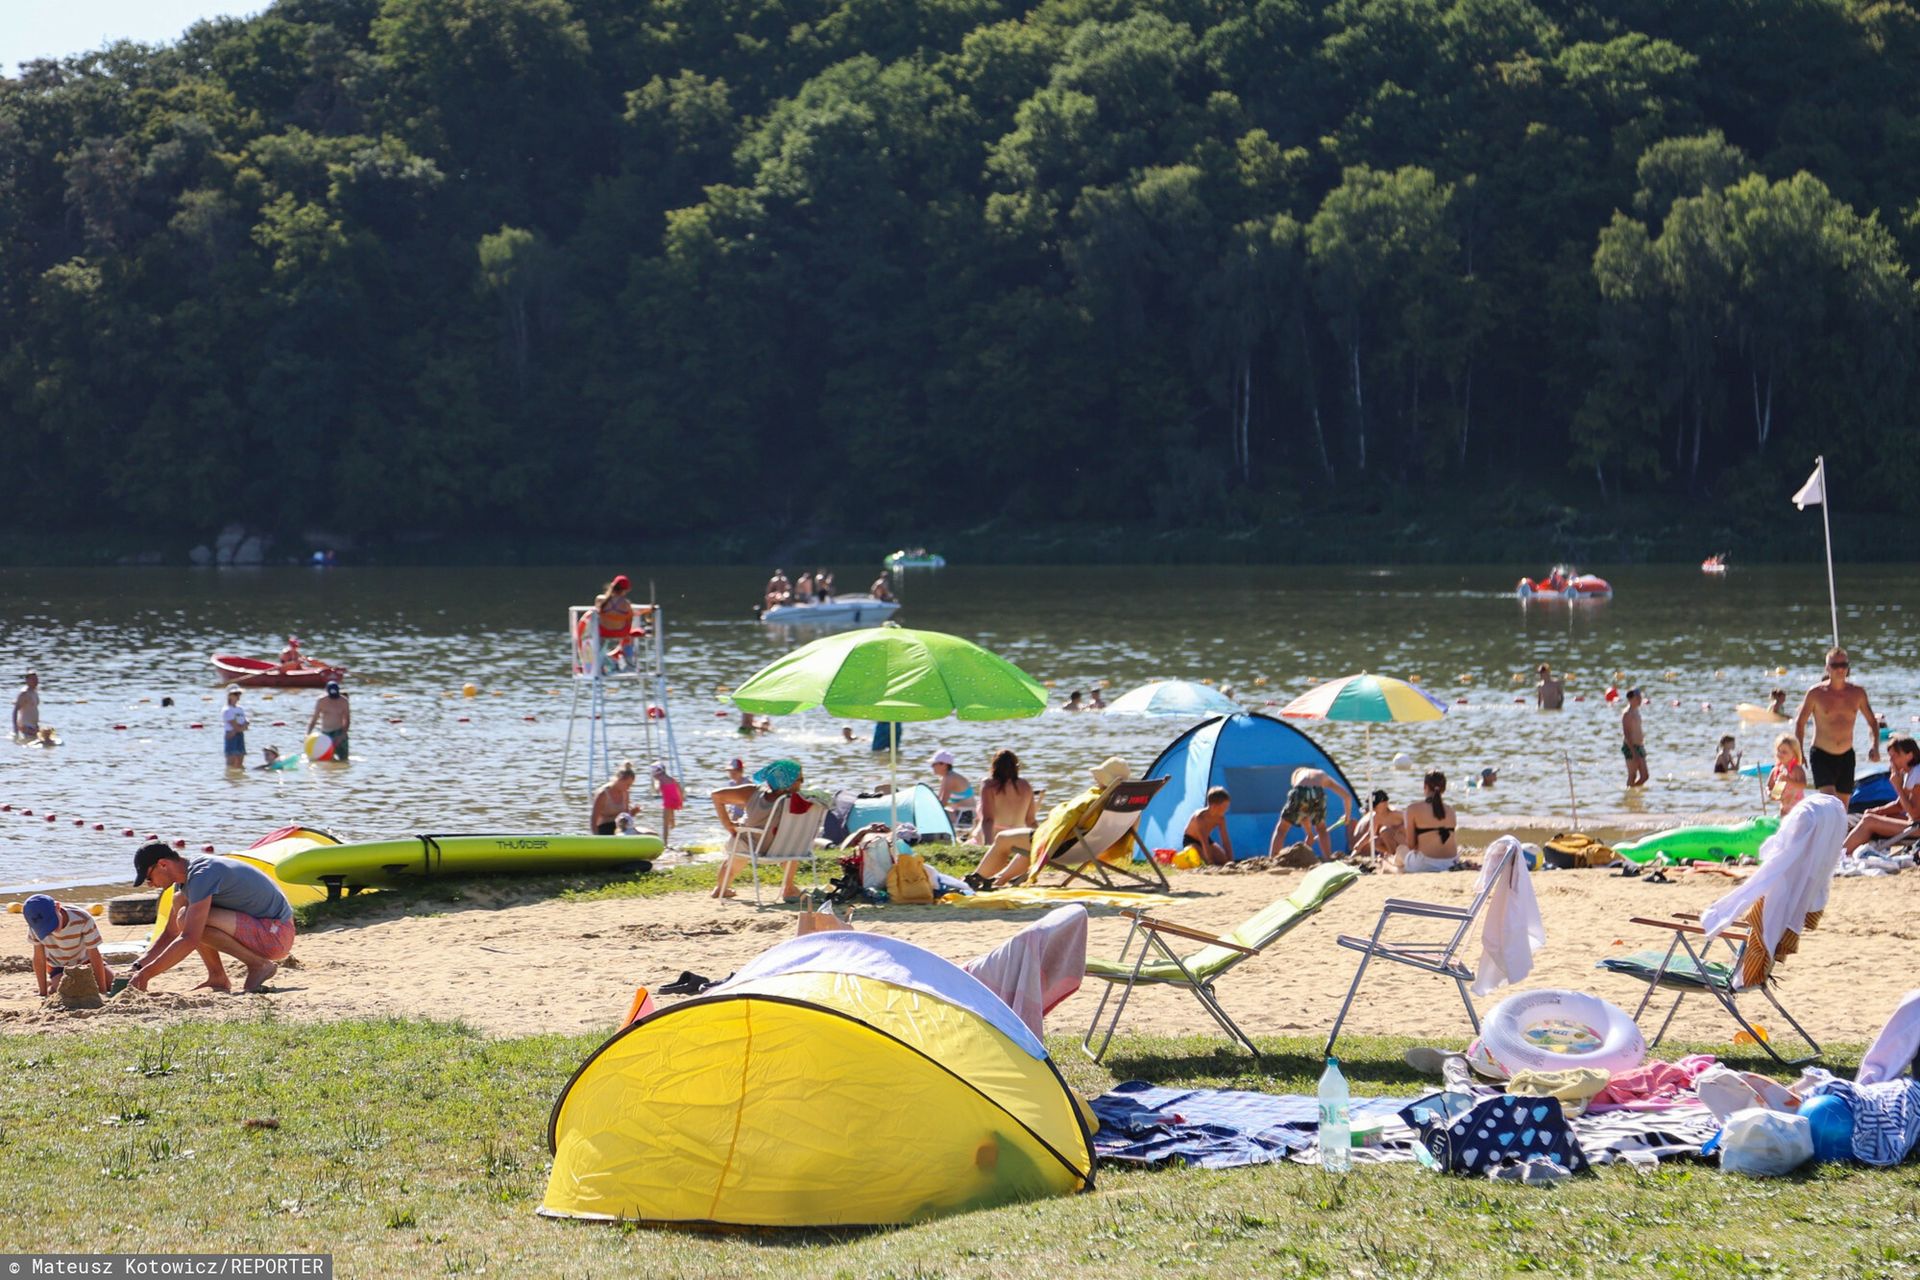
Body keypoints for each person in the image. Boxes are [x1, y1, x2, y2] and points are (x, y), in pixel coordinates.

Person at [130, 843, 294, 993]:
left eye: (148, 878)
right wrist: (138, 967)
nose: (149, 884)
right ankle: (217, 977)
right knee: (181, 904)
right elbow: (171, 933)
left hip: (276, 935)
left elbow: (189, 938)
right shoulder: (185, 879)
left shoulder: (202, 874)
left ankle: (259, 965)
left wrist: (146, 975)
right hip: (264, 929)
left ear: (163, 864)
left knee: (187, 919)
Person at [969, 757, 1130, 890]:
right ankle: (999, 880)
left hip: (1062, 845)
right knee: (1028, 846)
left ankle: (977, 878)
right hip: (1089, 846)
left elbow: (1064, 819)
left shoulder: (1092, 799)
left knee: (1003, 838)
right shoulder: (1120, 800)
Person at [710, 758, 807, 900]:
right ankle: (789, 887)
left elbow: (716, 795)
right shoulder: (800, 801)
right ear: (788, 781)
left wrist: (728, 824)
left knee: (738, 847)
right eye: (800, 779)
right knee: (790, 840)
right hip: (781, 849)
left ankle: (721, 888)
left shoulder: (753, 792)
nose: (802, 782)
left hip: (749, 845)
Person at [1794, 646, 1881, 803]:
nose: (1840, 669)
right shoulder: (1815, 693)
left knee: (1843, 806)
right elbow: (1800, 723)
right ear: (1827, 668)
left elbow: (1872, 722)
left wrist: (1875, 746)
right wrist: (1799, 752)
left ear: (1848, 667)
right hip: (1821, 755)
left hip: (1846, 755)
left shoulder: (1857, 693)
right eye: (1835, 665)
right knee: (1830, 801)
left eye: (1843, 665)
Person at [23, 894, 112, 1007]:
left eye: (52, 923)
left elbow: (94, 955)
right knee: (68, 990)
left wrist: (102, 991)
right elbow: (39, 959)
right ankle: (52, 985)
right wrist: (43, 993)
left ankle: (54, 984)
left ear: (58, 907)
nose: (52, 930)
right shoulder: (35, 928)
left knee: (111, 983)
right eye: (46, 928)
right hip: (59, 966)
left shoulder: (82, 918)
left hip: (86, 961)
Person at [1843, 736, 1920, 854]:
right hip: (1914, 823)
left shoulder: (1917, 774)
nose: (1891, 761)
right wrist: (1876, 811)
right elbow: (1900, 805)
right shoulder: (1910, 772)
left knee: (1869, 821)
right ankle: (1850, 850)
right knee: (1875, 816)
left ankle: (1840, 855)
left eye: (1895, 756)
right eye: (1890, 757)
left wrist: (1898, 787)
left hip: (1916, 828)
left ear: (1909, 755)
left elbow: (1914, 814)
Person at [1270, 766, 1355, 862]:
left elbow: (1303, 812)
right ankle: (1327, 858)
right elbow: (1347, 797)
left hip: (1300, 792)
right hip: (1318, 793)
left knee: (1281, 829)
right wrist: (1347, 816)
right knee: (1321, 829)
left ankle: (1273, 858)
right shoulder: (1323, 775)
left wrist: (1309, 834)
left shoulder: (1299, 777)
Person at [1399, 770, 1460, 872]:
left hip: (1426, 862)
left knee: (1400, 851)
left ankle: (1390, 868)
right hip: (1451, 862)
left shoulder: (1413, 809)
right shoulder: (1451, 811)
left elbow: (1411, 845)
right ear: (1444, 789)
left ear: (1425, 786)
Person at [976, 749, 1037, 846]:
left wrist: (988, 845)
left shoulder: (989, 785)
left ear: (994, 766)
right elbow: (1031, 821)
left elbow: (988, 819)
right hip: (1018, 837)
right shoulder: (1025, 785)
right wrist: (1039, 843)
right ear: (1015, 767)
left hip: (997, 838)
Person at [594, 574, 639, 669]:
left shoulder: (600, 600)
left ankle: (602, 662)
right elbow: (631, 617)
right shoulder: (626, 603)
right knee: (629, 635)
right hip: (621, 633)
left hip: (603, 633)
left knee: (597, 636)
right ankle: (629, 664)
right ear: (625, 590)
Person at [1349, 790, 1407, 862]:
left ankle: (1395, 856)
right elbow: (1370, 834)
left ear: (1385, 803)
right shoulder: (1376, 817)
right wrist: (1358, 846)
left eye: (1375, 805)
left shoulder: (1397, 814)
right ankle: (1392, 855)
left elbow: (1412, 825)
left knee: (1384, 831)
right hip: (1394, 842)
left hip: (1405, 841)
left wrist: (1398, 829)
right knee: (1374, 841)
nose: (1373, 808)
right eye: (1371, 806)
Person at [1182, 787, 1233, 865]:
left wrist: (1230, 860)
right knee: (1203, 861)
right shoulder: (1200, 817)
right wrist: (1210, 861)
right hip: (1191, 840)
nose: (1226, 810)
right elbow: (1204, 842)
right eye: (1224, 807)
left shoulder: (1220, 818)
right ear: (1214, 806)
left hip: (1207, 839)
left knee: (1223, 860)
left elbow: (1225, 840)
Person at [929, 749, 975, 832]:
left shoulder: (950, 778)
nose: (931, 767)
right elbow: (939, 801)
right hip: (961, 814)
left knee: (930, 813)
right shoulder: (945, 777)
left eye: (934, 764)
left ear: (944, 765)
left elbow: (943, 803)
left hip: (965, 817)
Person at [306, 679, 350, 761]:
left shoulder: (344, 701)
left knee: (344, 760)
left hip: (339, 732)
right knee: (326, 761)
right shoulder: (321, 701)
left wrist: (342, 735)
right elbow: (314, 719)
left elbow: (347, 720)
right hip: (325, 734)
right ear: (326, 691)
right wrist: (308, 734)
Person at [591, 761, 641, 835]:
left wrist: (632, 813)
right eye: (627, 785)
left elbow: (626, 817)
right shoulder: (603, 794)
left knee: (649, 832)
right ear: (619, 780)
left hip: (622, 827)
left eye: (630, 785)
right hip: (605, 827)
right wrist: (596, 837)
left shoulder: (625, 793)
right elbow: (593, 820)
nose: (628, 788)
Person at [1765, 734, 1808, 817]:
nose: (1780, 754)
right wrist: (1769, 793)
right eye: (1778, 750)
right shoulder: (1776, 770)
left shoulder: (1796, 769)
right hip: (1784, 808)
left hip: (1798, 809)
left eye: (1784, 752)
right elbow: (1768, 786)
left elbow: (1803, 785)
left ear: (1794, 754)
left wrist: (1788, 780)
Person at [1619, 688, 1648, 787]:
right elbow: (1627, 734)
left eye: (1640, 697)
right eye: (1638, 697)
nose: (1640, 699)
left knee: (1645, 776)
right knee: (1632, 775)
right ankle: (1629, 792)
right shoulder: (1627, 713)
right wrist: (1633, 751)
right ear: (1631, 699)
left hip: (1639, 746)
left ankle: (1634, 792)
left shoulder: (1636, 711)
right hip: (1630, 747)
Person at [650, 762, 683, 845]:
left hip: (668, 802)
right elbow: (679, 789)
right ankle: (673, 823)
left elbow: (657, 791)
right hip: (675, 800)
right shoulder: (672, 779)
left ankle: (665, 842)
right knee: (670, 816)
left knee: (665, 822)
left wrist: (654, 782)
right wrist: (681, 800)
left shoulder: (660, 780)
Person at [221, 689, 249, 769]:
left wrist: (243, 727)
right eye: (235, 694)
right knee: (231, 760)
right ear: (230, 696)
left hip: (239, 734)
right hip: (231, 735)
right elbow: (234, 725)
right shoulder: (227, 710)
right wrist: (241, 728)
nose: (238, 696)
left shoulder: (240, 709)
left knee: (240, 758)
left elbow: (246, 722)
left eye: (239, 694)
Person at [13, 670, 39, 738]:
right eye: (33, 679)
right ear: (27, 680)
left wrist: (37, 725)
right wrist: (15, 729)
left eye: (36, 679)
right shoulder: (24, 693)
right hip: (26, 728)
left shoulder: (34, 691)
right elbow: (15, 711)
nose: (36, 681)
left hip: (34, 727)